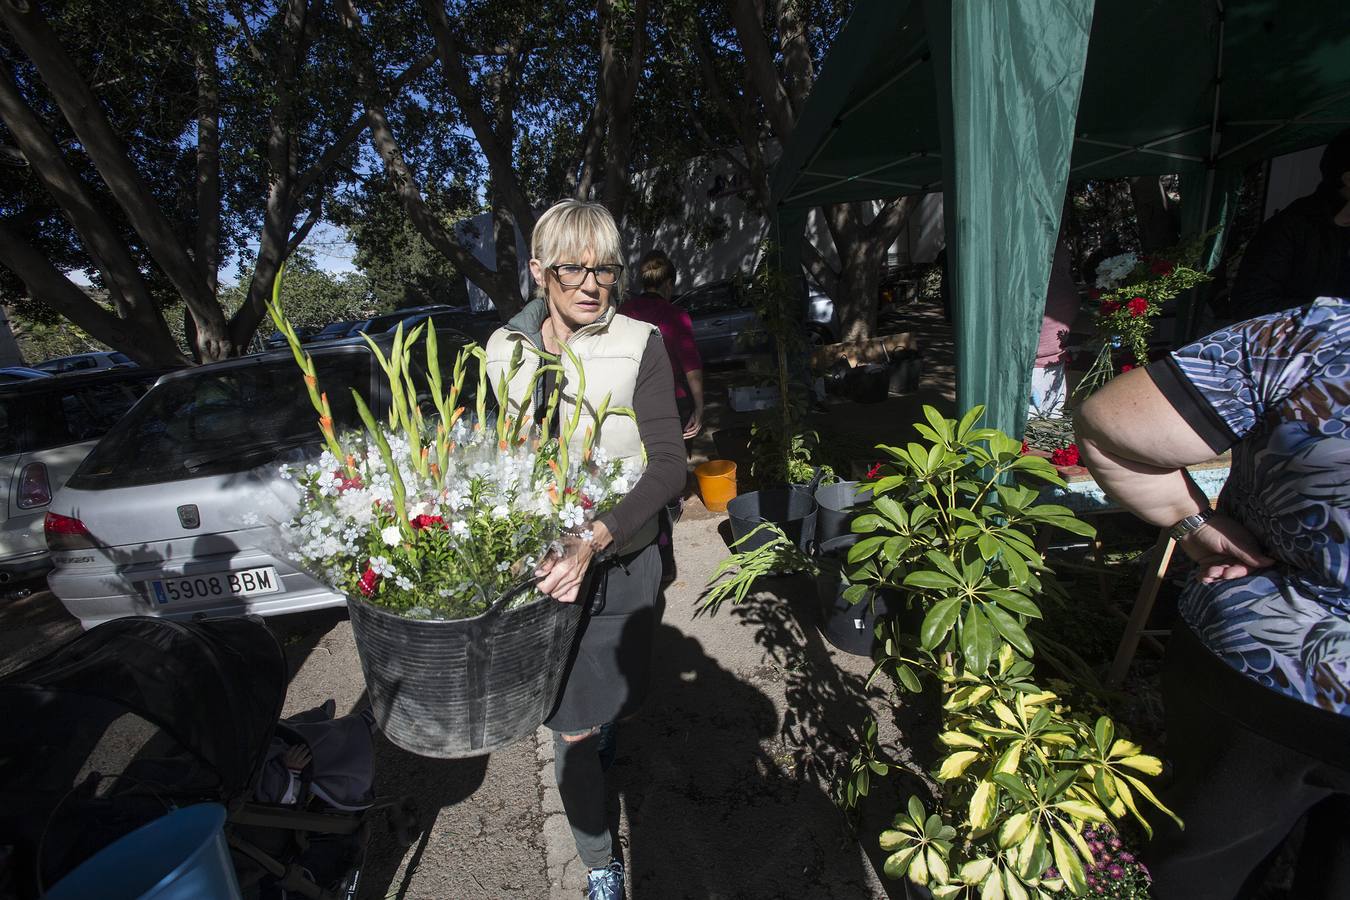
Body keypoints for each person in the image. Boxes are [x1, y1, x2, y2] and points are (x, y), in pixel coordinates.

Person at [1074, 297, 1350, 898]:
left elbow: (1110, 426)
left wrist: (1194, 529)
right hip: (1281, 676)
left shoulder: (1324, 338)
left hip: (1276, 669)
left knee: (1203, 865)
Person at [484, 200, 686, 900]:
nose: (590, 283)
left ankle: (601, 738)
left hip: (625, 562)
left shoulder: (640, 344)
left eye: (604, 267)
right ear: (539, 270)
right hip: (547, 576)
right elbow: (499, 463)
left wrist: (596, 536)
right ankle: (600, 863)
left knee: (614, 706)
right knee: (567, 727)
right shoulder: (504, 353)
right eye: (573, 266)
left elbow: (669, 467)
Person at [1229, 129, 1350, 320]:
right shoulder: (1291, 228)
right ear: (1347, 178)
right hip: (1296, 347)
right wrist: (1334, 314)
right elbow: (1249, 304)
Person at [621, 249, 705, 440]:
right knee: (673, 460)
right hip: (672, 401)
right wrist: (700, 407)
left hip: (633, 399)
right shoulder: (676, 315)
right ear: (668, 284)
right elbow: (691, 367)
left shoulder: (623, 312)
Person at [1029, 234, 1082, 417]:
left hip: (1054, 365)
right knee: (1028, 431)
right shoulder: (1029, 276)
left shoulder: (1058, 275)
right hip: (1031, 369)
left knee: (1048, 424)